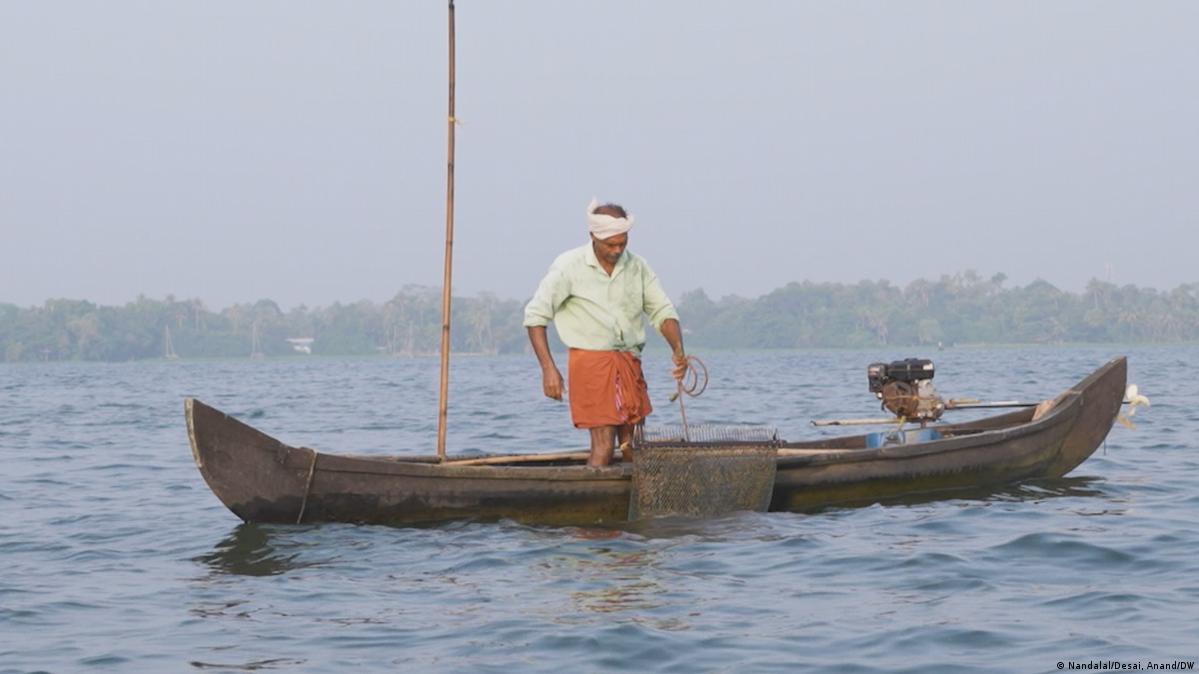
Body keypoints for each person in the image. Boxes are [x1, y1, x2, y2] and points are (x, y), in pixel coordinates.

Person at [524, 198, 687, 468]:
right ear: (593, 237)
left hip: (628, 361)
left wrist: (679, 352)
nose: (617, 250)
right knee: (603, 444)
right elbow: (535, 317)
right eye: (611, 244)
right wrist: (548, 370)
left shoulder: (637, 266)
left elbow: (663, 312)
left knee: (634, 444)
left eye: (623, 243)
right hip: (591, 362)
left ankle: (636, 501)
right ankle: (587, 504)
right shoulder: (569, 265)